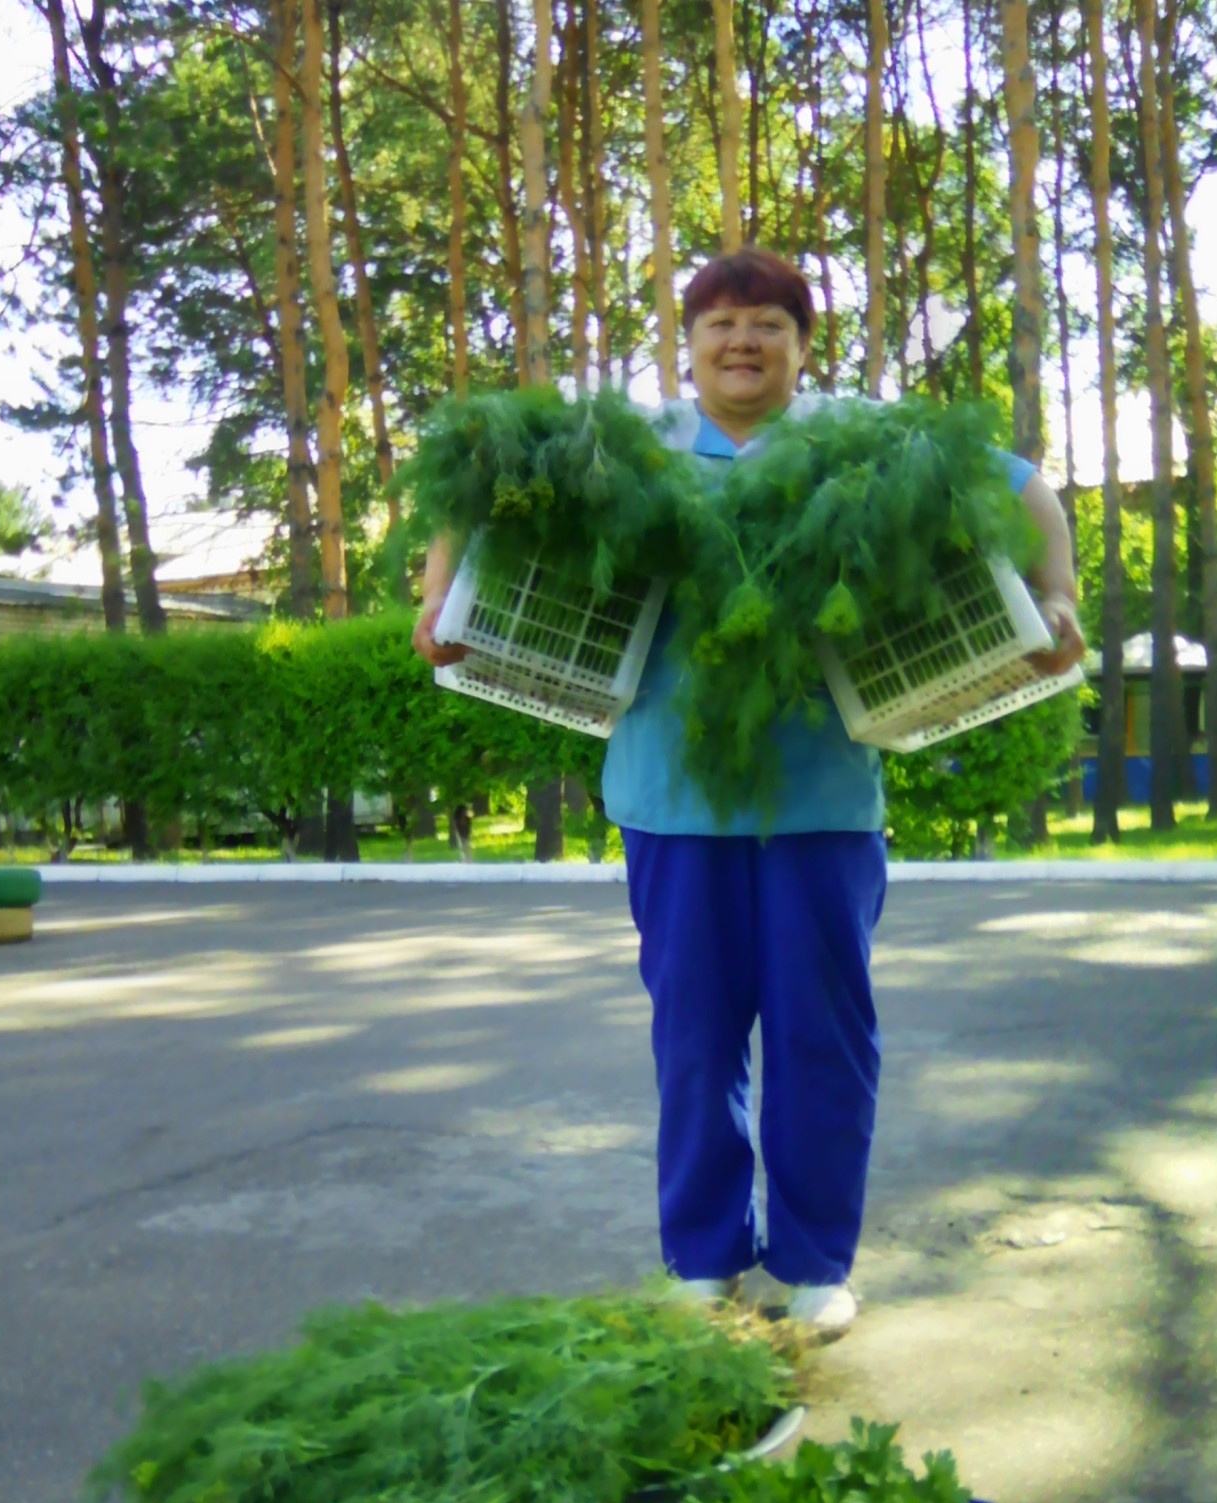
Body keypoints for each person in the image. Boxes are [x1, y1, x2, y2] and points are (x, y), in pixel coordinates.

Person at [415, 247, 1084, 1339]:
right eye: (720, 322)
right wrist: (439, 596)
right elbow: (476, 480)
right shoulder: (630, 447)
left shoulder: (855, 442)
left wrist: (1058, 596)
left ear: (802, 346)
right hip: (670, 799)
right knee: (695, 1041)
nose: (743, 341)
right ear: (687, 344)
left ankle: (817, 1261)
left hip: (822, 799)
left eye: (770, 322)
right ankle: (704, 1255)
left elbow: (1024, 485)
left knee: (824, 1039)